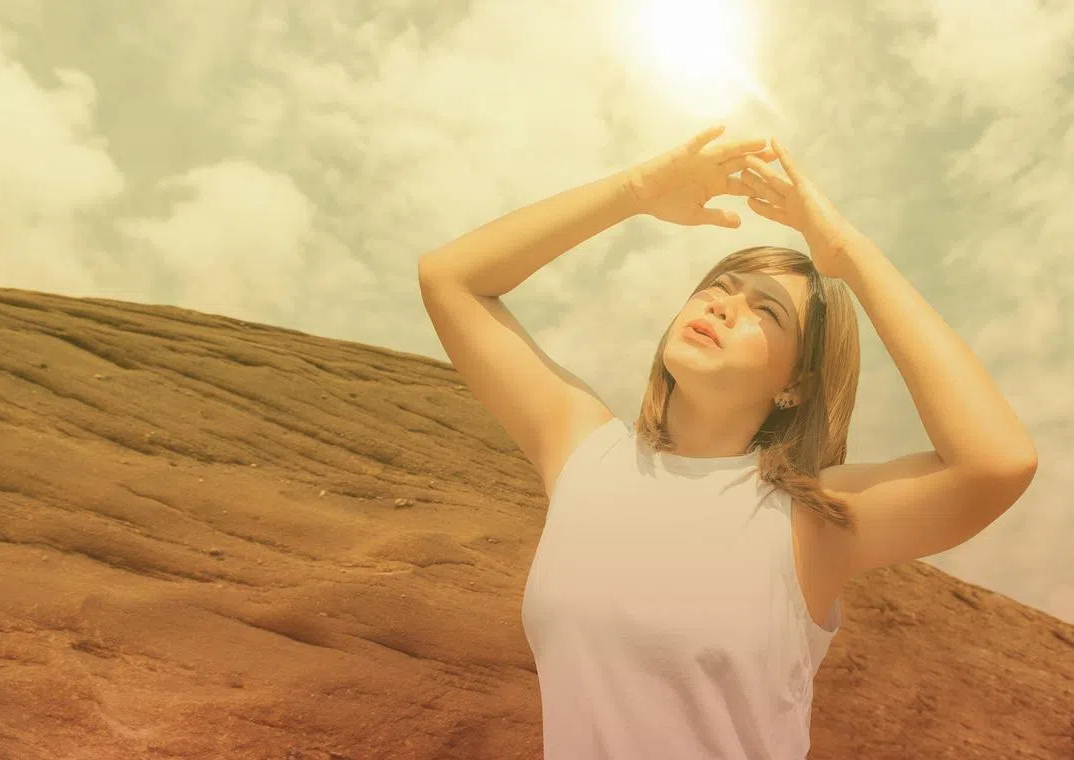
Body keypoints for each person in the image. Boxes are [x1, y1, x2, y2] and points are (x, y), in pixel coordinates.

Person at [417, 126, 1037, 759]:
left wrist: (845, 252)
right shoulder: (586, 453)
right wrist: (635, 191)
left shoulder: (807, 517)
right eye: (717, 287)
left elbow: (997, 463)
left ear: (797, 383)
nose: (722, 306)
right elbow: (449, 278)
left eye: (766, 310)